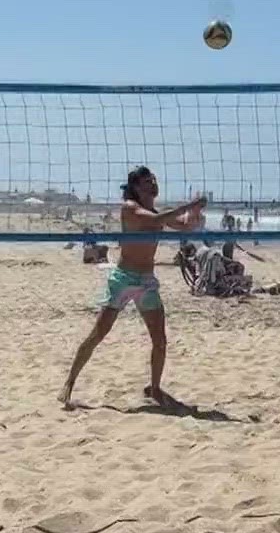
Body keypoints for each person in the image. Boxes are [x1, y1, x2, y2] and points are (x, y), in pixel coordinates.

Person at [60, 166, 205, 409]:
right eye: (148, 181)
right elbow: (158, 221)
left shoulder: (153, 210)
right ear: (137, 187)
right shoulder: (130, 208)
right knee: (98, 334)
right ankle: (69, 382)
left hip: (146, 281)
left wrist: (196, 212)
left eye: (154, 180)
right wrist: (190, 206)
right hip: (124, 279)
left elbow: (184, 225)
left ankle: (155, 389)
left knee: (160, 340)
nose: (153, 184)